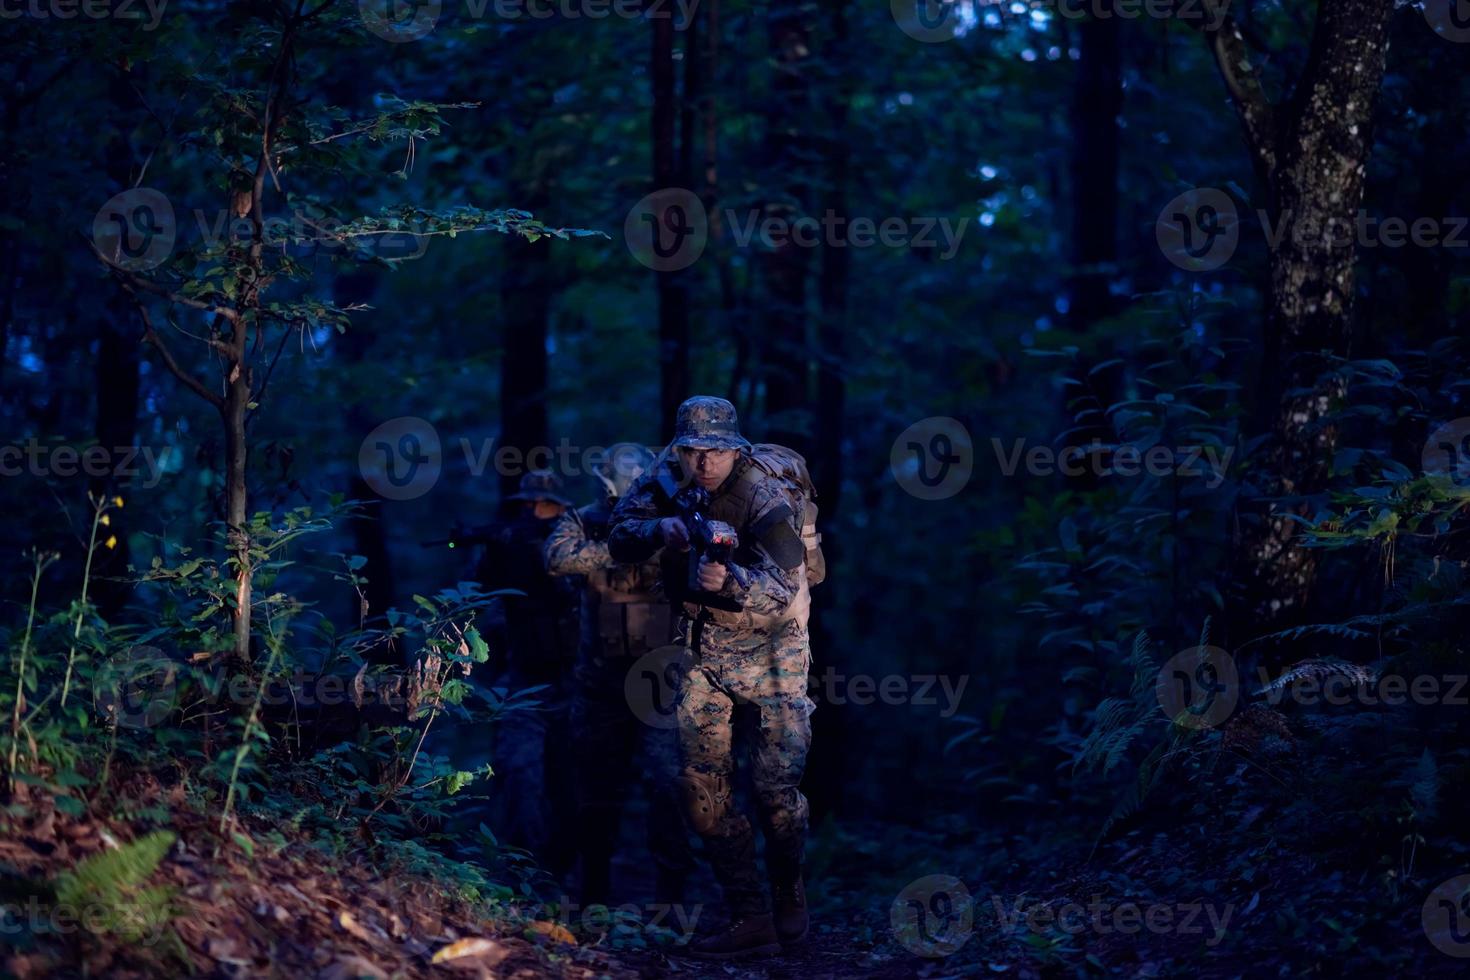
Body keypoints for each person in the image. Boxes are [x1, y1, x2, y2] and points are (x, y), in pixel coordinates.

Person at [608, 396, 817, 960]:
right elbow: (618, 535)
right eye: (694, 452)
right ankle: (749, 915)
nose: (705, 464)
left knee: (776, 795)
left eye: (717, 452)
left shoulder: (764, 492)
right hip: (700, 652)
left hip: (774, 655)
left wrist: (728, 583)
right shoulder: (664, 476)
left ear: (736, 448)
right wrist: (663, 529)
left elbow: (782, 588)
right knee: (702, 793)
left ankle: (787, 890)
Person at [543, 443, 694, 907]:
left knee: (669, 787)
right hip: (600, 684)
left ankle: (671, 902)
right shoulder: (586, 520)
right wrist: (626, 543)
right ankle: (593, 895)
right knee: (595, 791)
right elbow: (556, 558)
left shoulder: (677, 518)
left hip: (661, 685)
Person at [475, 468, 581, 878]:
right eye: (529, 505)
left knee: (570, 784)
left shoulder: (576, 545)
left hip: (575, 681)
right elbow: (475, 601)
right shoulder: (504, 549)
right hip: (522, 679)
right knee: (519, 773)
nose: (536, 512)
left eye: (546, 505)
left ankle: (564, 873)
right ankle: (522, 874)